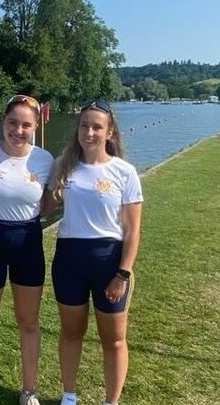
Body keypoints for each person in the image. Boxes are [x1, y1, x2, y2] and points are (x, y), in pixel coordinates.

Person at [48, 99, 143, 405]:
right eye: (84, 125)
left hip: (109, 262)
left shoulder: (124, 172)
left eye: (97, 127)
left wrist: (122, 273)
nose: (89, 132)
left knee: (113, 339)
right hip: (69, 260)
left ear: (110, 131)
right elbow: (43, 207)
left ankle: (111, 401)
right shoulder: (64, 166)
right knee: (71, 332)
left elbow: (132, 230)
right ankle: (69, 397)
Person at [0, 95, 54, 405]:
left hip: (27, 242)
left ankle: (29, 389)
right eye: (12, 123)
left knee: (28, 321)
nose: (18, 130)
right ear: (2, 122)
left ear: (35, 126)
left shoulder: (45, 159)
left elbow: (47, 204)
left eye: (26, 125)